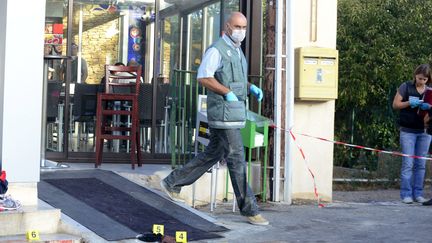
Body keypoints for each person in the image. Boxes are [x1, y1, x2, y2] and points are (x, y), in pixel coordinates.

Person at [159, 12, 269, 226]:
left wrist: (250, 87)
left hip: (234, 113)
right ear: (227, 27)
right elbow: (204, 76)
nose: (241, 31)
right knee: (237, 159)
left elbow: (233, 79)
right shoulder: (217, 50)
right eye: (237, 26)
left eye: (244, 27)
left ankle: (173, 182)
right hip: (223, 115)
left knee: (213, 154)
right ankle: (250, 210)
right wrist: (225, 92)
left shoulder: (237, 51)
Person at [392, 63, 432, 204]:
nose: (421, 81)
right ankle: (406, 194)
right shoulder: (406, 86)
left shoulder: (430, 91)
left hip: (425, 131)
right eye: (419, 78)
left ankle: (418, 194)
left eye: (424, 79)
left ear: (428, 79)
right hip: (408, 131)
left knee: (420, 164)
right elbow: (396, 104)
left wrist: (429, 107)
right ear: (415, 75)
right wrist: (409, 102)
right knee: (408, 163)